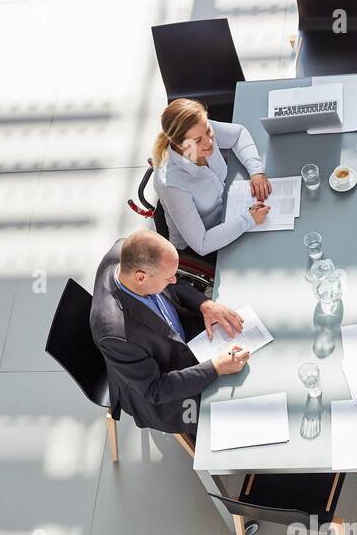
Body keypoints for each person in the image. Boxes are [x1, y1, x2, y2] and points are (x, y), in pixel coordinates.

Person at [90, 231, 249, 436]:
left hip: (182, 339)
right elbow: (156, 389)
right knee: (237, 413)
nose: (175, 280)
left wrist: (204, 304)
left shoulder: (124, 251)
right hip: (164, 392)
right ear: (141, 277)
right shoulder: (117, 334)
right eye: (169, 278)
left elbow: (176, 286)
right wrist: (215, 368)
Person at [151, 98, 272, 256]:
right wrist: (249, 219)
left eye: (208, 130)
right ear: (178, 144)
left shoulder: (200, 130)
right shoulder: (171, 185)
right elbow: (202, 243)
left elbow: (239, 133)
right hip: (206, 244)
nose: (209, 142)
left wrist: (256, 172)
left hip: (230, 211)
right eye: (198, 141)